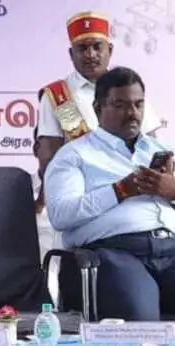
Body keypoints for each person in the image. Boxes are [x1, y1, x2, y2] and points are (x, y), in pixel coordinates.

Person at [45, 67, 175, 320]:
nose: (132, 113)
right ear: (98, 109)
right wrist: (120, 190)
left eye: (138, 104)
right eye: (120, 105)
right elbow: (61, 215)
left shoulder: (161, 149)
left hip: (170, 250)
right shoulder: (75, 155)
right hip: (114, 253)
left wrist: (171, 190)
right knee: (140, 320)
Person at [35, 12, 162, 197]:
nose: (91, 54)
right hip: (83, 193)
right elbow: (49, 159)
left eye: (97, 47)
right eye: (83, 48)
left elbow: (152, 147)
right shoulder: (58, 95)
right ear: (71, 54)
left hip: (134, 190)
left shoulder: (129, 87)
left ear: (109, 50)